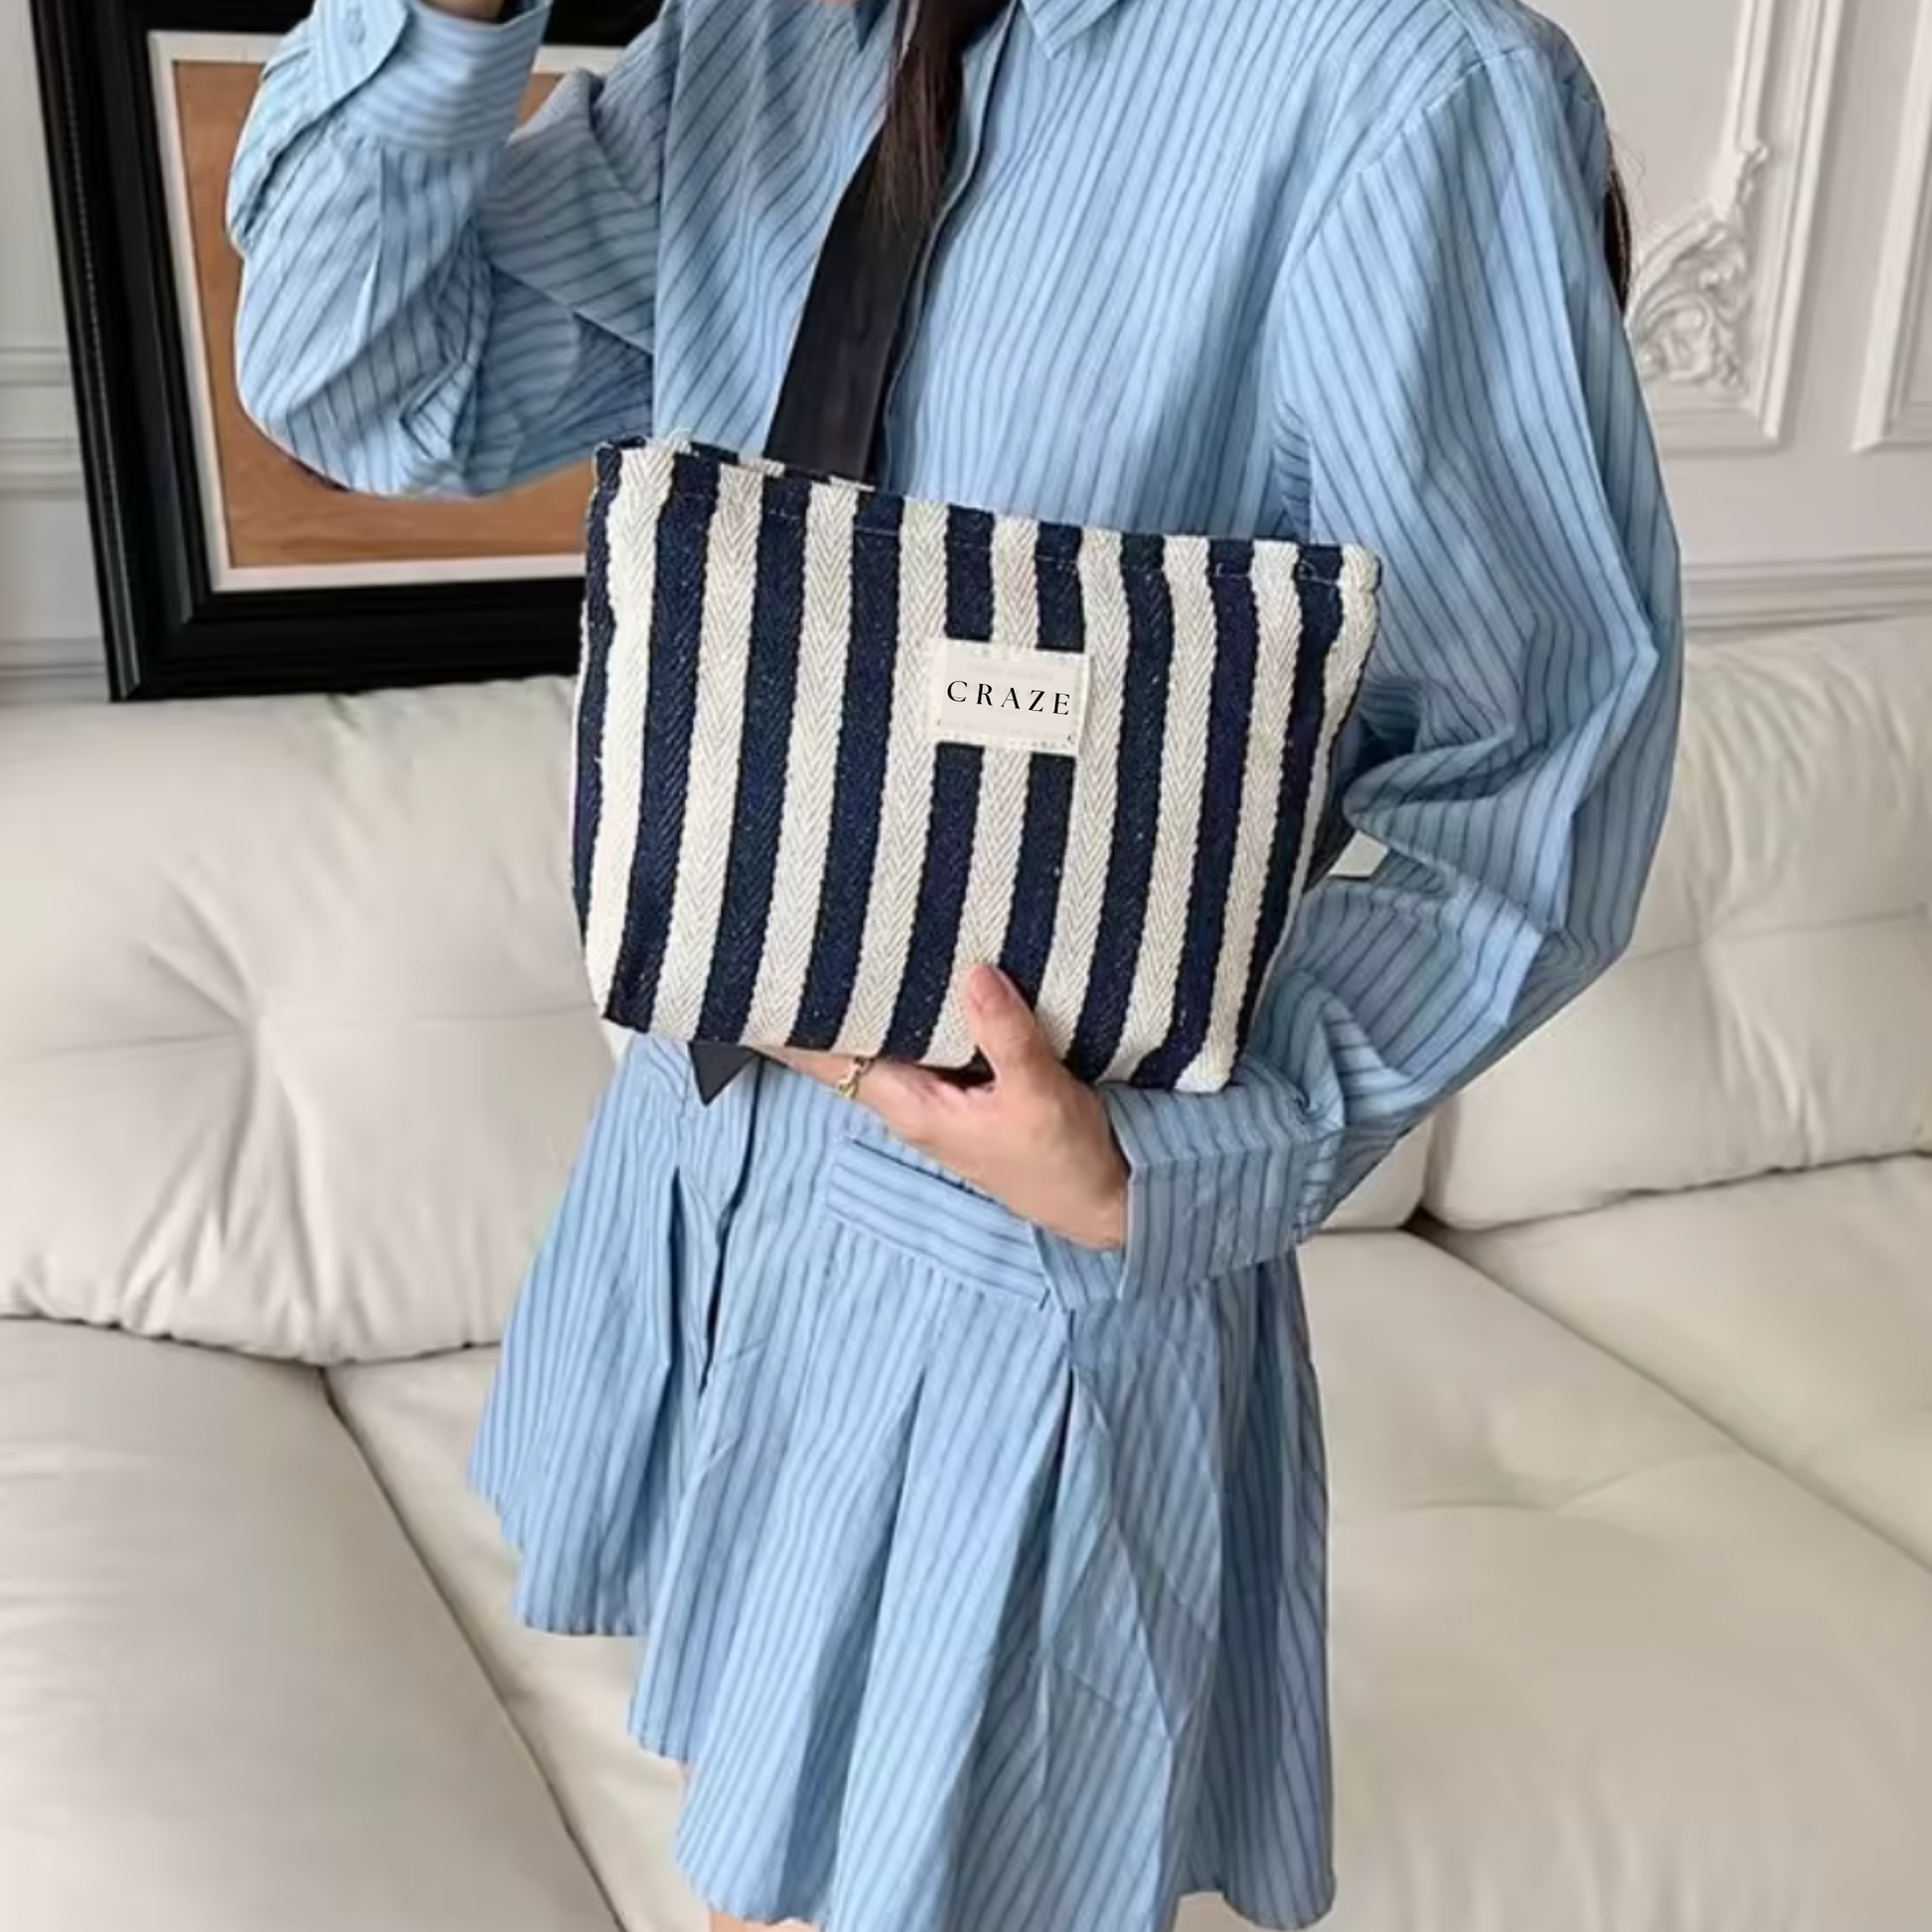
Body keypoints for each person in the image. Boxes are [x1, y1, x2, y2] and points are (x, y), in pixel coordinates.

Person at [228, 2, 1682, 1930]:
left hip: (1002, 1268)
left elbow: (1545, 752)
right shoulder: (774, 35)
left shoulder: (1397, 86)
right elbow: (372, 384)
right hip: (712, 1166)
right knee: (752, 1838)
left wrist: (1190, 1147)